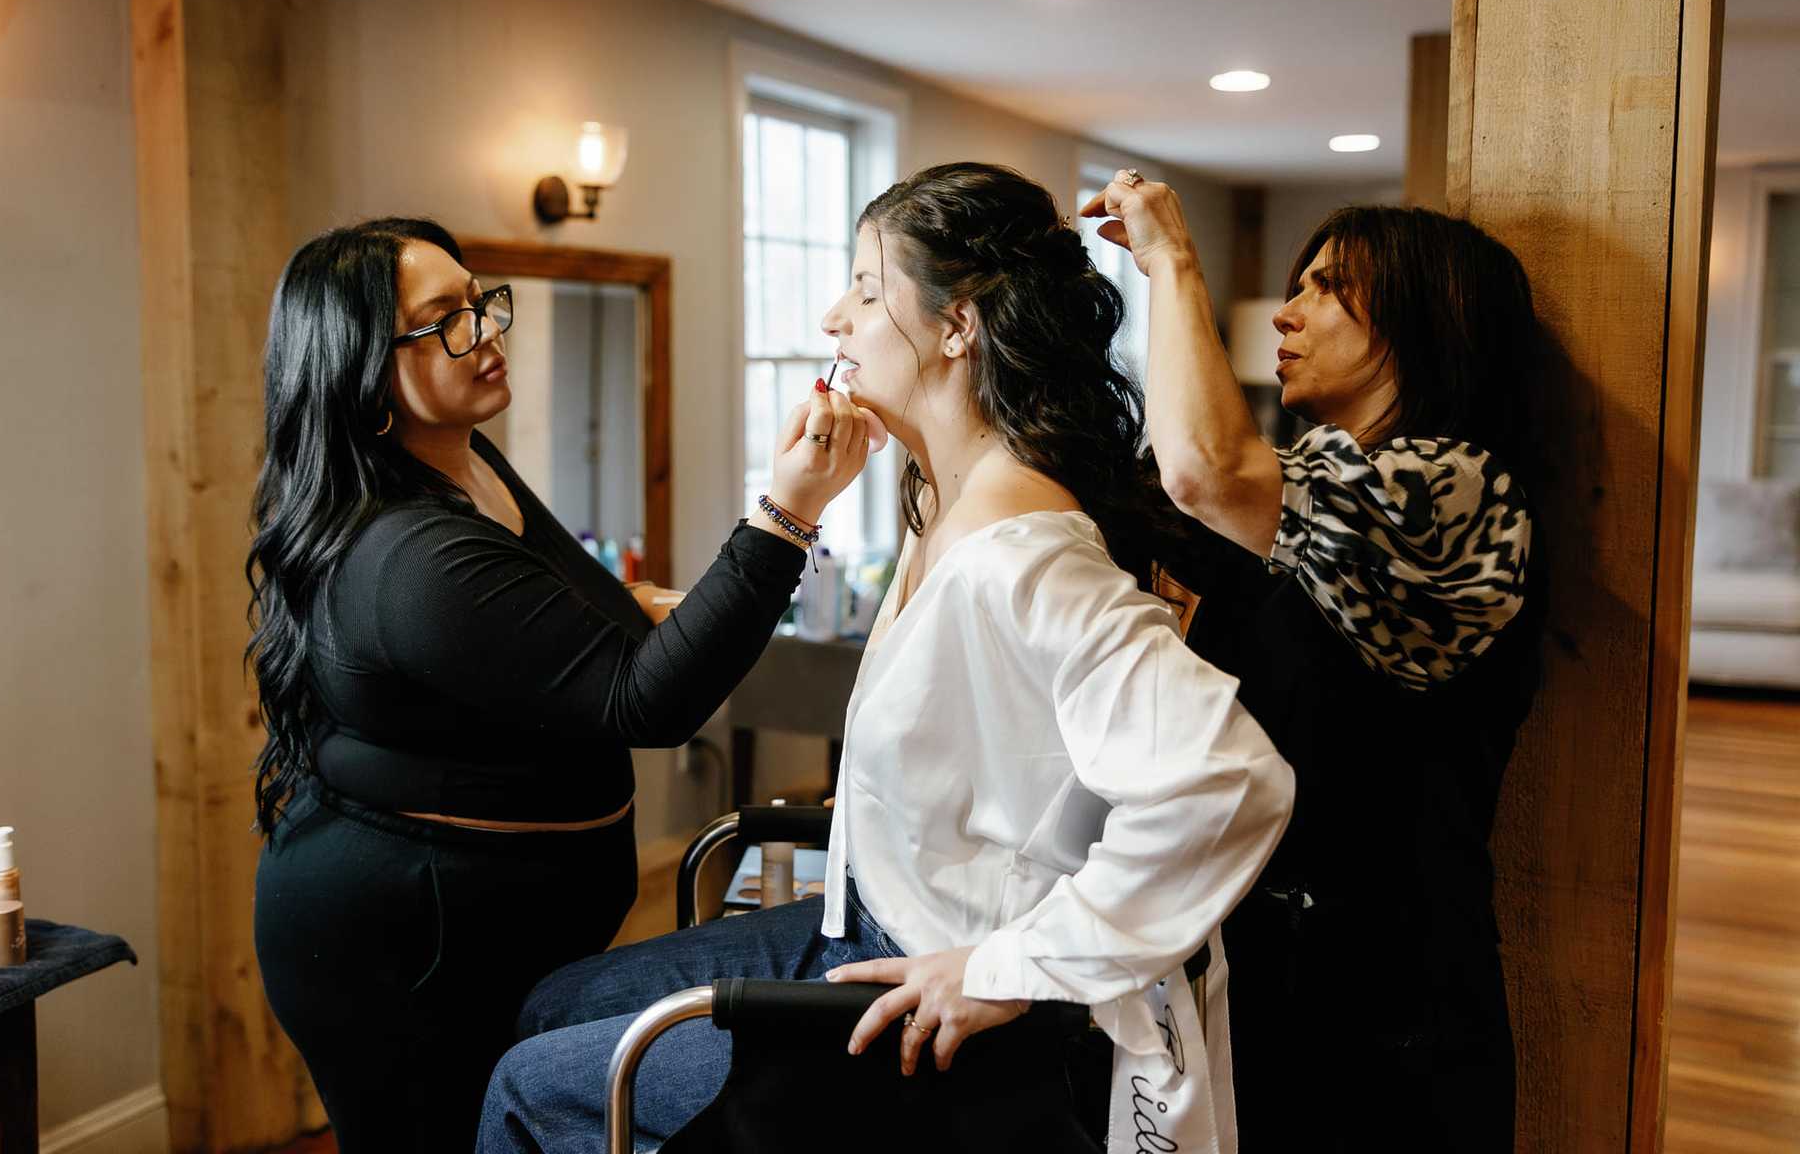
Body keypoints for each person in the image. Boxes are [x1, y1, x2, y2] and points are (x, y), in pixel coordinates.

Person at [477, 164, 1295, 1154]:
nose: (834, 316)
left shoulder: (1021, 554)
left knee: (532, 1086)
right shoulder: (940, 499)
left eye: (866, 288)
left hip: (920, 973)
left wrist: (1007, 966)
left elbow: (1231, 778)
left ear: (960, 326)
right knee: (555, 1001)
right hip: (860, 910)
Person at [245, 217, 875, 1151]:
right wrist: (788, 512)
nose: (489, 330)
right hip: (400, 949)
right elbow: (645, 703)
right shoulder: (409, 554)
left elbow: (545, 604)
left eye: (479, 300)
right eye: (446, 320)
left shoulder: (467, 460)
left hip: (504, 928)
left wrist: (641, 604)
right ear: (365, 366)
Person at [1085, 172, 1546, 1151]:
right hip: (1265, 974)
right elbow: (1150, 498)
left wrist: (1174, 257)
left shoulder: (1459, 495)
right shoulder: (1298, 507)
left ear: (1426, 317)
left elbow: (1205, 469)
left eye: (1327, 286)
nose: (1286, 314)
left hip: (1392, 1008)